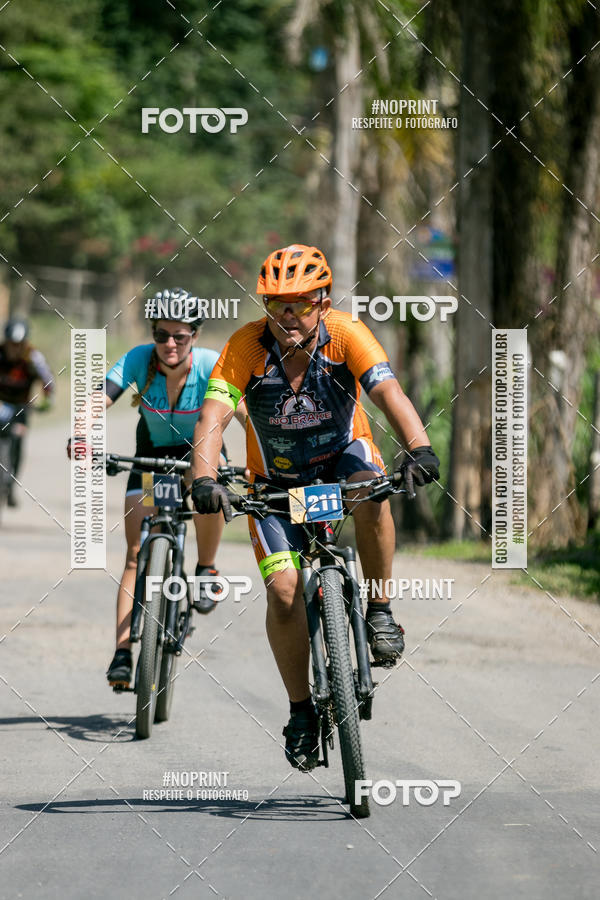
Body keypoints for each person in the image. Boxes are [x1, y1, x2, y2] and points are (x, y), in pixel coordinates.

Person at [190, 245, 440, 770]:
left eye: (300, 305)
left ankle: (379, 610)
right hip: (273, 482)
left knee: (373, 491)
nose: (288, 317)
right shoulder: (244, 346)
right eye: (277, 304)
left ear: (323, 303)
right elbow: (213, 415)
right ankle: (301, 711)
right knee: (283, 592)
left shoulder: (347, 335)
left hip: (342, 458)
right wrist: (204, 477)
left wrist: (417, 447)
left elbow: (388, 392)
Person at [68, 288, 246, 689]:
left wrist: (258, 459)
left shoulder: (210, 364)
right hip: (150, 456)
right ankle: (121, 653)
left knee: (207, 494)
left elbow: (242, 413)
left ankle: (205, 567)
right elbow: (100, 398)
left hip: (199, 450)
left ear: (195, 336)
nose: (170, 344)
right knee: (134, 555)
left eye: (180, 336)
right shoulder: (137, 359)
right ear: (153, 333)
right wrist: (81, 433)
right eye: (162, 335)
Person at [0, 318, 55, 506]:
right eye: (11, 344)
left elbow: (48, 381)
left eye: (18, 344)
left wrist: (47, 401)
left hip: (20, 408)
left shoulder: (32, 356)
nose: (14, 349)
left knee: (17, 444)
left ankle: (11, 484)